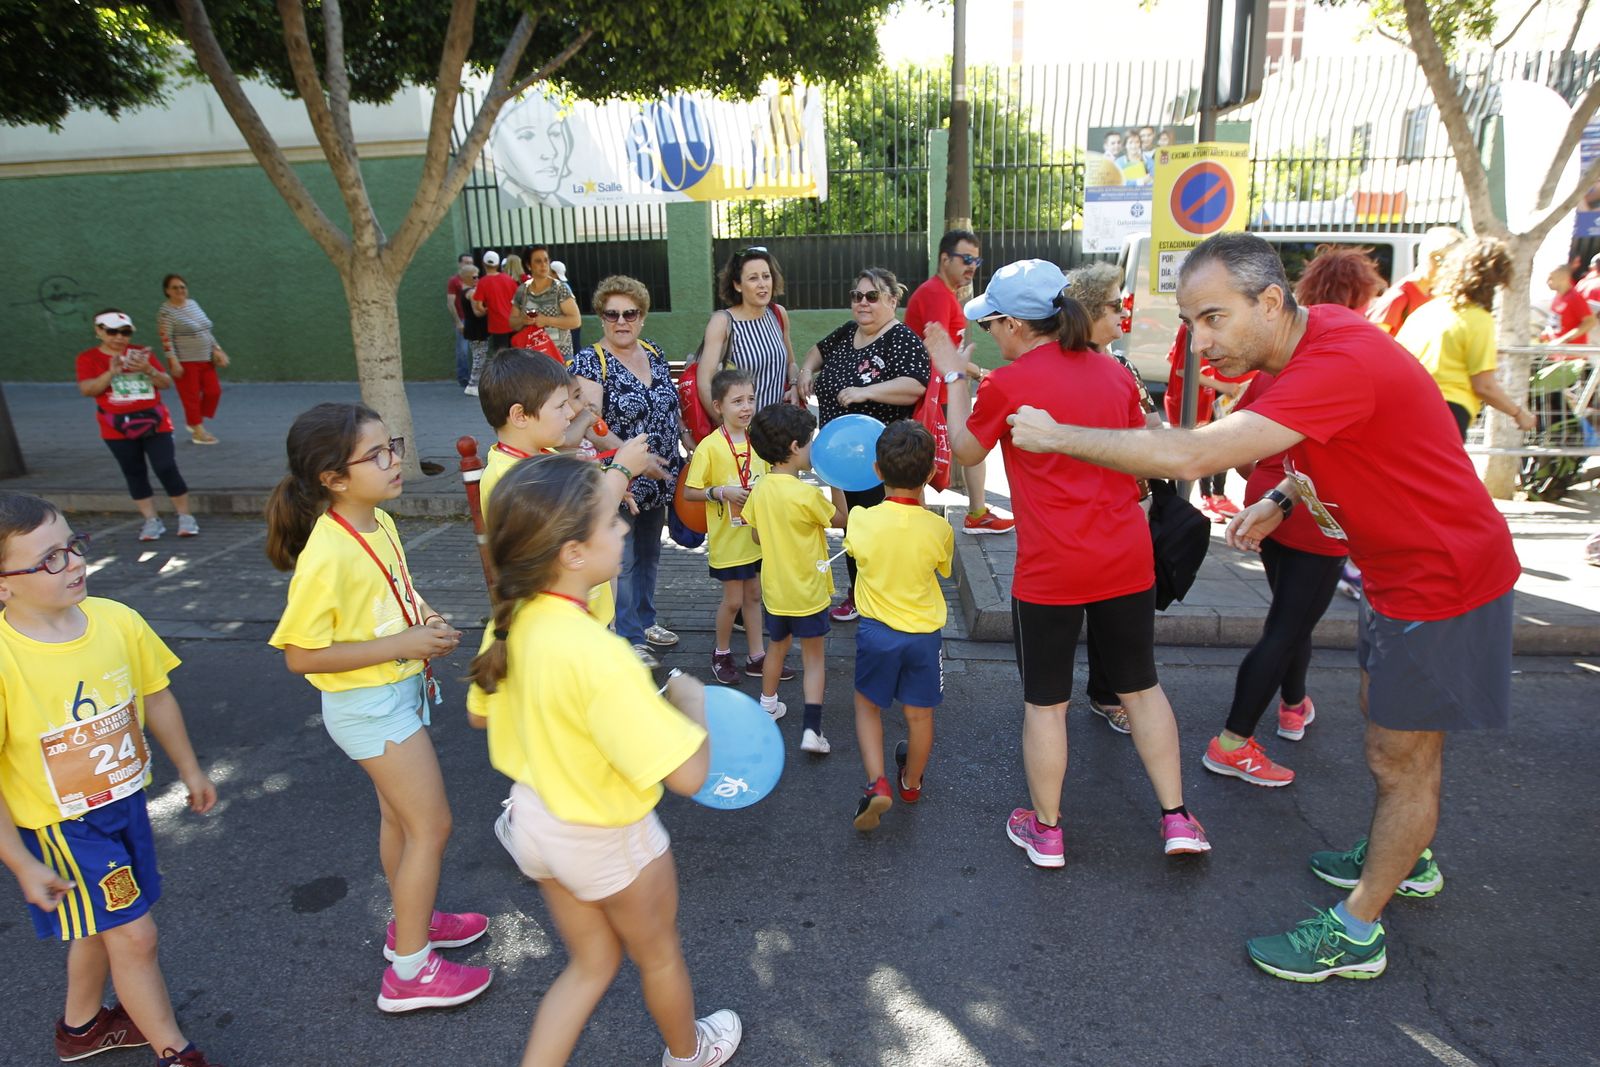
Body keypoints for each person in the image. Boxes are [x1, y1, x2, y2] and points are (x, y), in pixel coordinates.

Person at [1001, 232, 1519, 981]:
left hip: (1445, 581)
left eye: (1212, 318)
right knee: (1397, 742)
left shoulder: (1338, 359)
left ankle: (1358, 928)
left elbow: (1188, 455)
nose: (1199, 338)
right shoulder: (1305, 350)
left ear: (1270, 302)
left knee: (1400, 760)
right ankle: (1403, 853)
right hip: (1397, 576)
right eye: (1190, 322)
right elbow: (1341, 440)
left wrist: (1056, 436)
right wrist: (1284, 495)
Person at [926, 259, 1211, 869]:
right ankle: (1178, 818)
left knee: (1046, 703)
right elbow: (1139, 458)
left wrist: (953, 379)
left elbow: (962, 457)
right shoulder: (1114, 374)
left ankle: (1048, 830)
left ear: (1013, 326)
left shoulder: (1006, 382)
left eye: (992, 324)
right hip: (1126, 557)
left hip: (1052, 567)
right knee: (1141, 688)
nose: (990, 335)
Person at [465, 457, 742, 1067]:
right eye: (611, 521)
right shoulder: (599, 654)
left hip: (535, 821)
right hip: (604, 834)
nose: (623, 529)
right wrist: (690, 702)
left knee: (591, 965)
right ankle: (689, 1051)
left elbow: (481, 715)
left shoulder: (512, 619)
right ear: (571, 553)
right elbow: (691, 775)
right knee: (659, 954)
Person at [265, 403, 491, 1013]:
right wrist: (404, 644)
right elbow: (300, 655)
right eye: (378, 455)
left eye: (391, 446)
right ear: (333, 479)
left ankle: (408, 925)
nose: (395, 461)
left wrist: (426, 617)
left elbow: (399, 589)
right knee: (432, 826)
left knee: (400, 822)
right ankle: (409, 975)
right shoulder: (326, 553)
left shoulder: (378, 524)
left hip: (395, 692)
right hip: (368, 707)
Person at [0, 492, 223, 1067]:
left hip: (125, 806)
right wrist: (22, 862)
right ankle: (175, 1052)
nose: (73, 562)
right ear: (3, 584)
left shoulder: (117, 620)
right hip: (63, 828)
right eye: (49, 559)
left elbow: (156, 694)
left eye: (73, 546)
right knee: (134, 935)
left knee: (100, 926)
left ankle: (82, 1029)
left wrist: (191, 768)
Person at [1199, 246, 1378, 789]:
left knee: (1292, 615)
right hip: (1304, 507)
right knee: (1288, 624)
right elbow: (1202, 450)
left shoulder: (1288, 359)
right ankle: (1232, 740)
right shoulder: (1341, 357)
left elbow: (1245, 443)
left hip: (1274, 496)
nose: (1205, 339)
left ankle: (1293, 704)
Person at [475, 349, 657, 628]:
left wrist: (605, 481)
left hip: (583, 616)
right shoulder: (511, 475)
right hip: (562, 625)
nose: (572, 413)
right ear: (520, 415)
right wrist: (621, 471)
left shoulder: (540, 456)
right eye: (560, 406)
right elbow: (582, 526)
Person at [796, 268, 931, 622]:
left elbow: (916, 384)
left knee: (883, 529)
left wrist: (867, 391)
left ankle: (887, 598)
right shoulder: (848, 333)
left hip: (882, 458)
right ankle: (859, 595)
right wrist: (806, 371)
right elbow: (816, 351)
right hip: (841, 457)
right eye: (857, 296)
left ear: (891, 299)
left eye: (872, 296)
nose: (862, 303)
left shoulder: (901, 339)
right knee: (854, 527)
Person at [1062, 262, 1162, 736]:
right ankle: (1058, 701)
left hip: (1126, 504)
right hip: (1082, 511)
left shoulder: (1121, 365)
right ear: (1086, 310)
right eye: (1115, 304)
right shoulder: (1065, 367)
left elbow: (1153, 428)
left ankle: (1106, 692)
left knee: (1116, 614)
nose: (1124, 311)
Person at [570, 276, 686, 668]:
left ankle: (646, 619)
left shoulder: (653, 352)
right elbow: (592, 424)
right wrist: (632, 460)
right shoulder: (590, 361)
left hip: (659, 475)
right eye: (612, 314)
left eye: (630, 313)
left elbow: (670, 405)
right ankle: (628, 636)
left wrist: (680, 444)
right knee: (623, 557)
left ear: (642, 317)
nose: (622, 321)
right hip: (619, 478)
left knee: (651, 551)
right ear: (601, 317)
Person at [844, 422, 953, 832]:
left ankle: (877, 783)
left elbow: (856, 552)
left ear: (876, 470)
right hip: (924, 636)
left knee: (867, 706)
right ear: (928, 475)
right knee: (920, 717)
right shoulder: (939, 528)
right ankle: (910, 784)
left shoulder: (861, 520)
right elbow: (941, 567)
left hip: (877, 633)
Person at [744, 403, 847, 755]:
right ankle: (811, 731)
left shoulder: (760, 489)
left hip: (776, 592)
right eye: (809, 443)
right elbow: (842, 519)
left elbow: (757, 537)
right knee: (813, 660)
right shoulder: (807, 495)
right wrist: (835, 480)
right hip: (808, 593)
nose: (812, 449)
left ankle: (767, 706)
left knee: (778, 647)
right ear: (794, 447)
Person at [903, 229, 1015, 535]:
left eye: (976, 260)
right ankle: (931, 522)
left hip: (944, 386)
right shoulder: (936, 294)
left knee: (957, 448)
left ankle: (974, 512)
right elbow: (940, 349)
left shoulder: (942, 293)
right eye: (966, 258)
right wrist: (978, 373)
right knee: (935, 455)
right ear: (944, 259)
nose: (972, 266)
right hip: (936, 390)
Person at [683, 368, 788, 686]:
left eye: (751, 399)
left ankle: (757, 656)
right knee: (733, 601)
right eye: (737, 401)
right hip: (728, 540)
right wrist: (720, 492)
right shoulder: (710, 446)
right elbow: (690, 491)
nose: (746, 407)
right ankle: (721, 652)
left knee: (755, 595)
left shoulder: (761, 442)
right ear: (718, 406)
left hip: (755, 537)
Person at [76, 310, 199, 542]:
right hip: (115, 427)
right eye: (112, 331)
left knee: (165, 467)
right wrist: (111, 373)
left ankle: (185, 516)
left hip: (155, 422)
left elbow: (166, 383)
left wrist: (147, 369)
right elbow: (87, 389)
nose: (119, 337)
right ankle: (151, 520)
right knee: (134, 472)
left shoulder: (141, 354)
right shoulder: (88, 358)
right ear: (98, 331)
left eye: (125, 332)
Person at [1397, 239, 1539, 441]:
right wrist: (1518, 413)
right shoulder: (1478, 320)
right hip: (1446, 412)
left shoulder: (1425, 312)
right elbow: (1484, 386)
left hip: (1403, 407)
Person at [1163, 323, 1252, 520]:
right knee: (1186, 458)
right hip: (1188, 403)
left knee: (1212, 449)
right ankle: (1182, 506)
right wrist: (1221, 385)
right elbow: (1181, 369)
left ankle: (1213, 498)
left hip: (1206, 401)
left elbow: (1171, 358)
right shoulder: (1190, 328)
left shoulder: (1209, 328)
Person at [697, 247, 798, 418]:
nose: (762, 284)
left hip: (778, 431)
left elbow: (791, 364)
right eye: (753, 278)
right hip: (742, 435)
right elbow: (704, 384)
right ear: (737, 285)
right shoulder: (723, 322)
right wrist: (727, 430)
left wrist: (794, 385)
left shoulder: (778, 314)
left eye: (766, 276)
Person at [155, 275, 229, 445]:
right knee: (191, 397)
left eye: (182, 287)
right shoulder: (166, 312)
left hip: (206, 358)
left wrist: (217, 349)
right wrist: (174, 362)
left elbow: (205, 330)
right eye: (175, 288)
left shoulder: (193, 304)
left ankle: (193, 420)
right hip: (186, 362)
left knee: (213, 392)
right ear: (167, 291)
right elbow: (166, 339)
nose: (180, 290)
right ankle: (198, 431)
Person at [1367, 225, 1465, 336]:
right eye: (1443, 261)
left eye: (1455, 263)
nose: (1449, 268)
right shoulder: (1399, 297)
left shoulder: (1437, 294)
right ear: (1428, 256)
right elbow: (1374, 342)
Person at [511, 245, 582, 361]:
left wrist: (546, 320)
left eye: (546, 260)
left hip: (560, 355)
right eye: (538, 261)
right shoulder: (522, 290)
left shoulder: (560, 289)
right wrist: (522, 320)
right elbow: (512, 322)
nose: (543, 264)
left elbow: (576, 321)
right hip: (532, 356)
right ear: (529, 265)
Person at [472, 250, 519, 359]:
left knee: (501, 358)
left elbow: (479, 306)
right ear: (498, 264)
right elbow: (518, 300)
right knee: (515, 356)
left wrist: (488, 310)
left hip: (497, 325)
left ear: (484, 264)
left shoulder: (482, 282)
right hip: (513, 322)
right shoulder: (509, 279)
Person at [1540, 260, 1598, 344]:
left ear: (1563, 278)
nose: (1547, 282)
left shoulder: (1575, 298)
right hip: (1557, 352)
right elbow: (1555, 320)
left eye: (1551, 278)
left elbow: (1590, 322)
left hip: (1572, 354)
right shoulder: (1558, 296)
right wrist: (1547, 331)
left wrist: (1563, 339)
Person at [458, 263, 490, 395]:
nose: (477, 279)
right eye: (474, 277)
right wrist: (489, 309)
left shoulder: (464, 291)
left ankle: (476, 383)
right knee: (479, 357)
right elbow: (478, 312)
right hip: (477, 328)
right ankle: (473, 384)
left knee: (479, 355)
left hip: (472, 328)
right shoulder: (471, 293)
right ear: (466, 278)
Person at [448, 252, 477, 388]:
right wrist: (458, 322)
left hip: (476, 319)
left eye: (470, 262)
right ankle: (463, 378)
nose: (469, 265)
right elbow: (450, 302)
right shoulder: (454, 281)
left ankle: (476, 377)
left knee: (478, 349)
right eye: (466, 262)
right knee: (463, 350)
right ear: (460, 264)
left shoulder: (475, 279)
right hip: (464, 319)